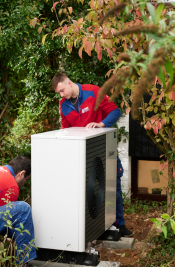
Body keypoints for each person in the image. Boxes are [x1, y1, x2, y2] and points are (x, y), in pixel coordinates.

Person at [51, 73, 133, 237]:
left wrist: (102, 124)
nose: (62, 95)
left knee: (113, 187)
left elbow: (115, 111)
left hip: (104, 147)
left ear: (69, 82)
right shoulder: (64, 105)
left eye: (62, 90)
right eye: (58, 93)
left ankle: (119, 224)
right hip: (82, 155)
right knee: (89, 190)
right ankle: (92, 227)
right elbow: (65, 131)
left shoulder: (94, 92)